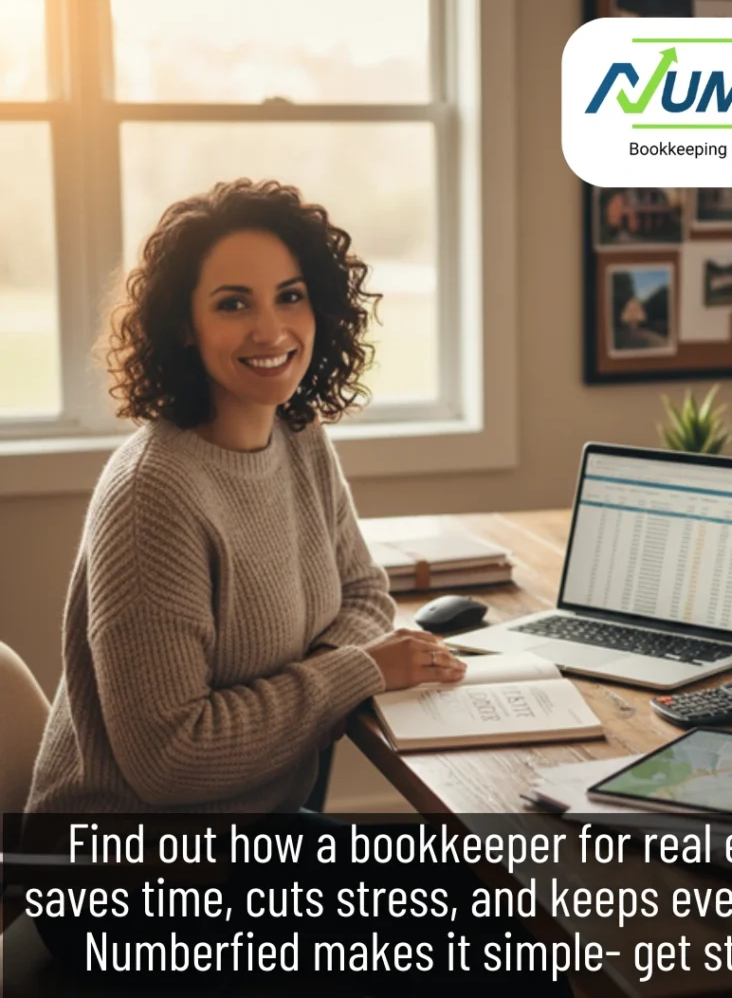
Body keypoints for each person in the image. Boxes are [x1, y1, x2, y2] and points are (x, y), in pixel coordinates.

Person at [23, 179, 572, 995]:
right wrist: (353, 672)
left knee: (510, 898)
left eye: (291, 296)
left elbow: (363, 597)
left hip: (252, 833)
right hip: (125, 886)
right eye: (234, 303)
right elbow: (172, 759)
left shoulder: (297, 433)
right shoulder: (155, 495)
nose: (272, 329)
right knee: (501, 947)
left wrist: (329, 670)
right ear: (184, 321)